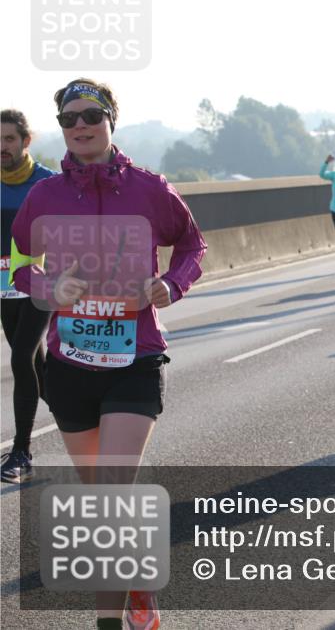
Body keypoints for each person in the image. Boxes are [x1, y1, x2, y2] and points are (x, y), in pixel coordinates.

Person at [11, 78, 207, 630]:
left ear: (110, 119)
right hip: (70, 363)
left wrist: (173, 283)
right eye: (68, 119)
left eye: (90, 116)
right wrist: (47, 289)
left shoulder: (150, 188)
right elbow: (18, 262)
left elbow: (192, 245)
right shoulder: (44, 195)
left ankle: (106, 623)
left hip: (134, 358)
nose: (80, 127)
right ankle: (137, 585)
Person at [1, 109, 56, 484]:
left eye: (8, 139)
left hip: (39, 287)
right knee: (36, 365)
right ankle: (79, 416)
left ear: (25, 141)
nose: (2, 147)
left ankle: (21, 451)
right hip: (4, 288)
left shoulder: (48, 183)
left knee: (20, 357)